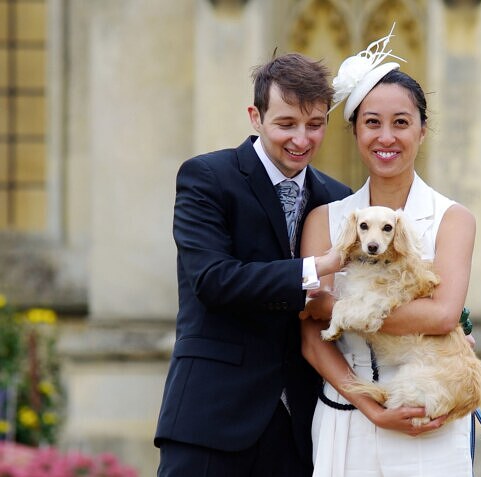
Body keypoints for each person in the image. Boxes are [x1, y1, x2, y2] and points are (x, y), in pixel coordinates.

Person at [154, 53, 352, 477]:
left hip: (302, 430)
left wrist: (437, 335)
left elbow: (353, 300)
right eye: (286, 124)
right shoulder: (206, 177)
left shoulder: (339, 199)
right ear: (255, 116)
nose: (302, 139)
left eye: (315, 124)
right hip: (211, 418)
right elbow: (212, 281)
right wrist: (315, 267)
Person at [299, 29, 478, 477]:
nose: (387, 137)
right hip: (344, 414)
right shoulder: (325, 219)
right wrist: (371, 408)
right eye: (372, 122)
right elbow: (308, 334)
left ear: (422, 127)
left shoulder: (452, 219)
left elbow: (441, 316)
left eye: (401, 122)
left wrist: (335, 308)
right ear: (356, 130)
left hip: (428, 414)